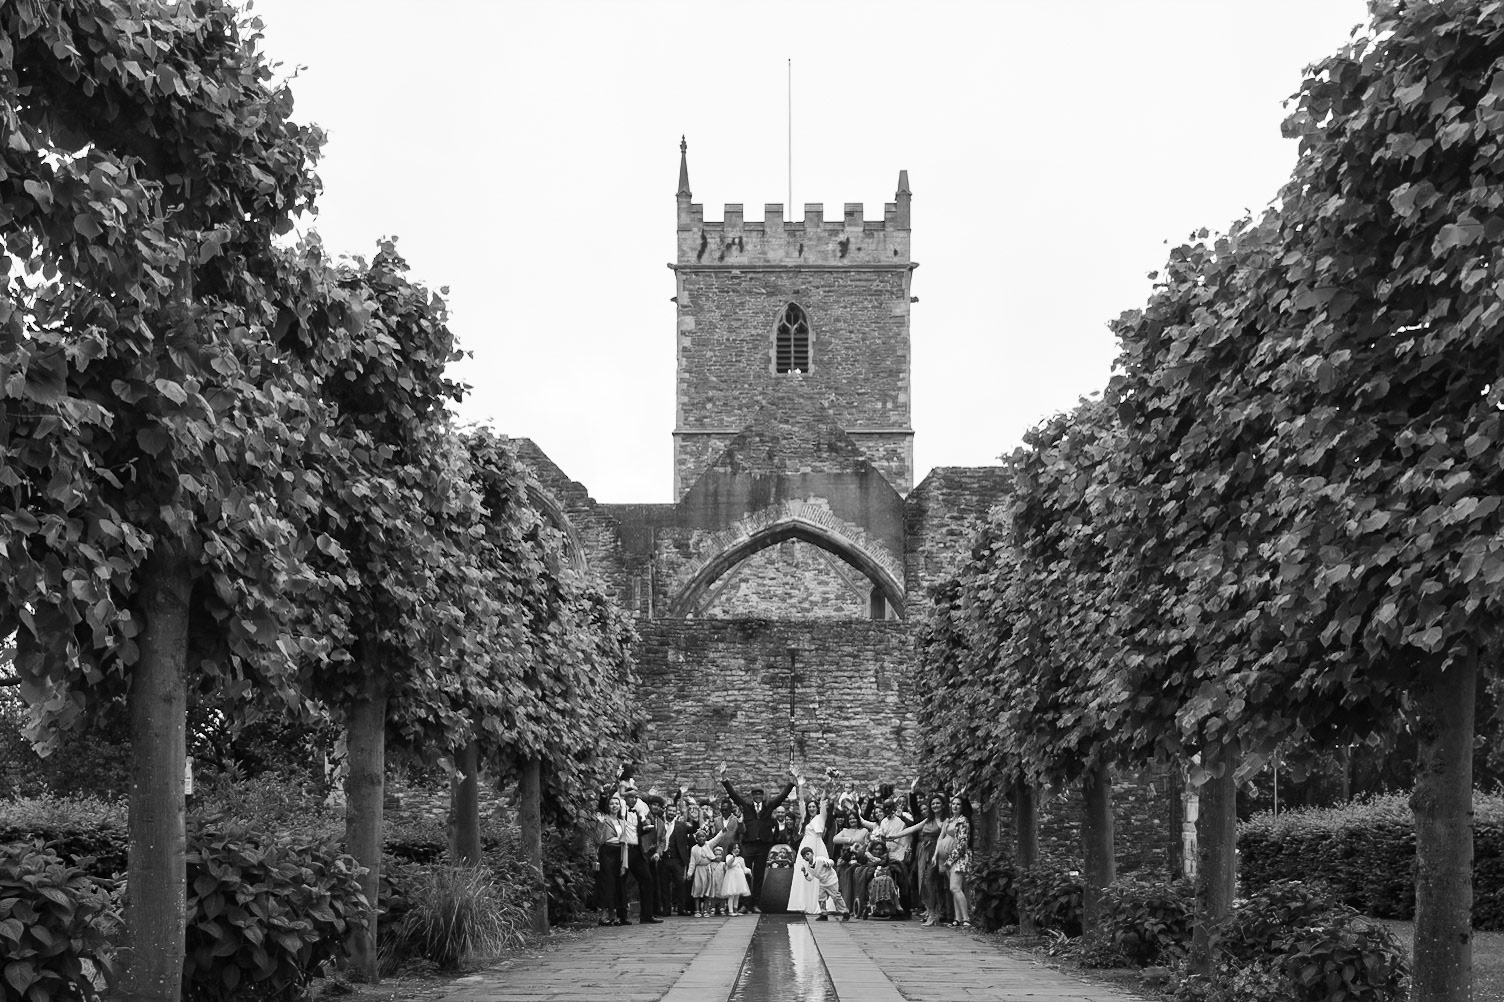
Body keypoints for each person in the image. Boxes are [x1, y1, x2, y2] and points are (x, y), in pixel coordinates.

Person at [719, 761, 797, 912]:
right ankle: (744, 904)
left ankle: (755, 904)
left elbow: (782, 797)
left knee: (760, 875)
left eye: (760, 794)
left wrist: (792, 782)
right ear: (752, 796)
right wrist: (724, 778)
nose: (758, 796)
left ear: (763, 795)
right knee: (745, 873)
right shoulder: (746, 807)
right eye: (755, 794)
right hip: (748, 844)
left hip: (763, 845)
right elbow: (733, 795)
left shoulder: (769, 806)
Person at [786, 770, 832, 916]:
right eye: (810, 806)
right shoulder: (805, 817)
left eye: (814, 806)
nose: (811, 808)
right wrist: (800, 785)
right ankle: (804, 903)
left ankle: (821, 905)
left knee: (820, 874)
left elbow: (824, 799)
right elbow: (800, 800)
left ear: (817, 808)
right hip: (806, 846)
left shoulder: (821, 817)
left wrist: (828, 781)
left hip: (818, 846)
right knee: (804, 873)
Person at [617, 783, 662, 924]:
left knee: (647, 880)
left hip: (637, 851)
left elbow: (640, 831)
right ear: (626, 798)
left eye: (636, 798)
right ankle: (622, 916)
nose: (634, 800)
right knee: (621, 881)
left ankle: (647, 915)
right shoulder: (620, 811)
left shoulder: (637, 814)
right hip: (624, 850)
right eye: (631, 797)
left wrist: (646, 829)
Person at [591, 791, 626, 926]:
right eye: (612, 803)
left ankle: (613, 915)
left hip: (619, 851)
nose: (614, 805)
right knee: (607, 883)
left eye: (616, 803)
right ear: (608, 806)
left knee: (617, 883)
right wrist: (599, 824)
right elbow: (597, 839)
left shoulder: (622, 822)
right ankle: (603, 914)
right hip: (607, 852)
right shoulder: (603, 819)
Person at [938, 796, 973, 928]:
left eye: (958, 804)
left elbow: (962, 845)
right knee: (953, 889)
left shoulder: (963, 821)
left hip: (959, 858)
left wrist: (950, 860)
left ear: (962, 807)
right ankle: (957, 918)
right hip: (948, 859)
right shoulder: (950, 820)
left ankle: (966, 918)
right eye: (953, 804)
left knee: (955, 887)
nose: (955, 806)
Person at [799, 847, 852, 921]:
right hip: (823, 882)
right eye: (804, 856)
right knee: (821, 899)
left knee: (836, 897)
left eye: (808, 854)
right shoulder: (809, 868)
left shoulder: (820, 859)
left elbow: (831, 862)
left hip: (831, 880)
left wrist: (828, 864)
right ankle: (823, 914)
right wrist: (805, 872)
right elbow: (810, 878)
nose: (807, 857)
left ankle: (845, 912)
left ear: (812, 853)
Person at [661, 802, 693, 916]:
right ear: (666, 811)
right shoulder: (660, 823)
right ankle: (666, 909)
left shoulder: (682, 825)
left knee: (680, 884)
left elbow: (695, 829)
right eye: (670, 811)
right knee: (664, 885)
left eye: (674, 811)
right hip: (663, 858)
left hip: (677, 859)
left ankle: (682, 908)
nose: (671, 813)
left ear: (676, 813)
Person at [689, 829, 715, 916]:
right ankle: (697, 910)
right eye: (699, 837)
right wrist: (690, 873)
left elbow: (717, 838)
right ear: (696, 839)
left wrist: (723, 832)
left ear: (706, 838)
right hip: (698, 871)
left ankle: (705, 910)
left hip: (707, 870)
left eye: (703, 836)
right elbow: (692, 862)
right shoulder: (694, 849)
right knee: (697, 889)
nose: (701, 838)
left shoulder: (708, 845)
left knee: (707, 890)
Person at [723, 843, 751, 914]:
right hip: (732, 878)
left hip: (739, 878)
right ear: (731, 850)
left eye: (738, 848)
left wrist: (749, 871)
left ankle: (735, 910)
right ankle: (730, 911)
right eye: (734, 848)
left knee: (737, 895)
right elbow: (729, 864)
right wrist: (733, 857)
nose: (737, 849)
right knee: (731, 895)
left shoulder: (741, 859)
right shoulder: (729, 856)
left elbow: (744, 868)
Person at [708, 845, 729, 916]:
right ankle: (712, 908)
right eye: (716, 854)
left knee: (722, 896)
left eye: (720, 854)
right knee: (713, 895)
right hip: (713, 882)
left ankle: (722, 908)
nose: (718, 856)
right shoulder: (711, 864)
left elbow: (726, 872)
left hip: (721, 882)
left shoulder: (723, 864)